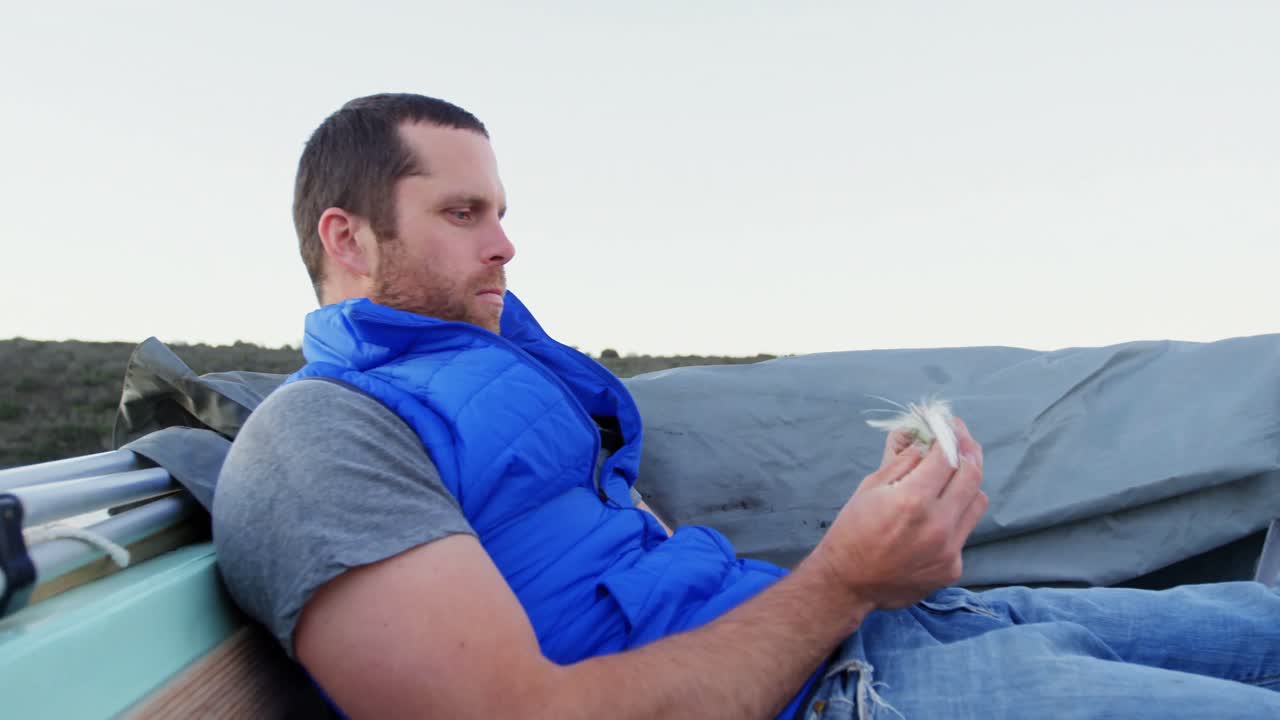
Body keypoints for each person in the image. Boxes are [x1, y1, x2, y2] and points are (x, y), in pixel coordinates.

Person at [212, 93, 1280, 719]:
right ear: (348, 239)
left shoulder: (511, 376)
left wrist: (874, 553)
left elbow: (629, 553)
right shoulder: (319, 438)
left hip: (893, 629)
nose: (505, 245)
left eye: (500, 212)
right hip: (835, 695)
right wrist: (842, 577)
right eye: (462, 213)